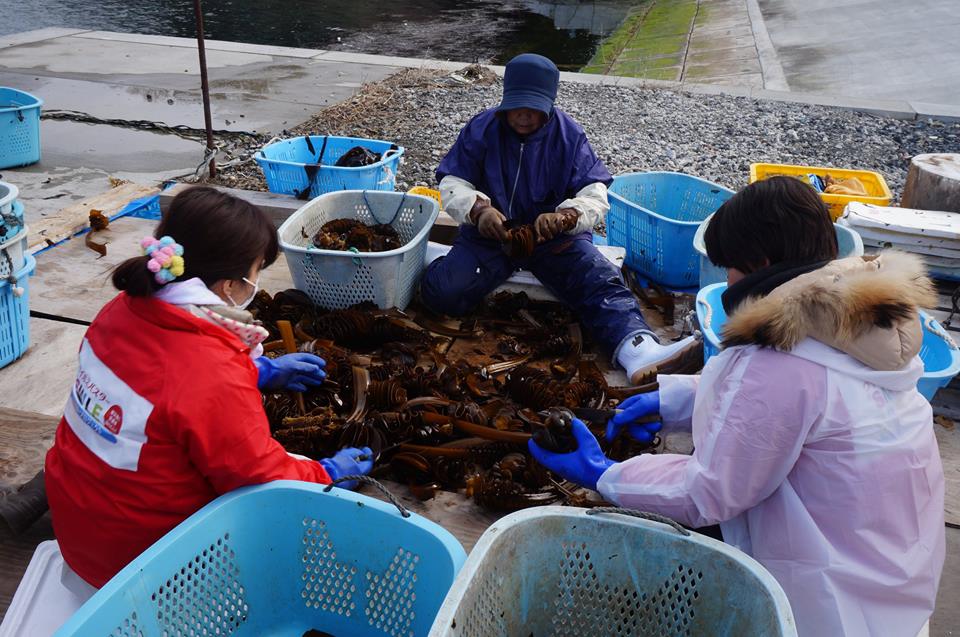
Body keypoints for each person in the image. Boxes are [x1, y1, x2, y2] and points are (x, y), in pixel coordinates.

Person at [529, 176, 945, 636]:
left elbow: (707, 493)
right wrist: (671, 400)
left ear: (761, 263)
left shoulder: (782, 363)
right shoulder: (858, 323)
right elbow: (797, 403)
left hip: (830, 608)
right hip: (896, 583)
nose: (726, 279)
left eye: (729, 266)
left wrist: (605, 473)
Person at [45, 186, 374, 588]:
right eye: (256, 270)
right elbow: (259, 476)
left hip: (78, 528)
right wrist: (327, 474)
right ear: (229, 286)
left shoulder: (121, 310)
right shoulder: (211, 373)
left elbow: (162, 384)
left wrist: (260, 371)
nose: (256, 282)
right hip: (138, 564)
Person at [421, 53, 699, 383]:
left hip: (552, 241)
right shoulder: (481, 128)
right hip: (492, 237)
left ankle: (638, 350)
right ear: (505, 100)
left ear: (549, 104)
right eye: (517, 106)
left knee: (598, 280)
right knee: (444, 293)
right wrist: (478, 210)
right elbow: (452, 181)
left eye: (534, 108)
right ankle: (432, 258)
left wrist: (567, 216)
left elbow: (595, 194)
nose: (524, 115)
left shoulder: (569, 136)